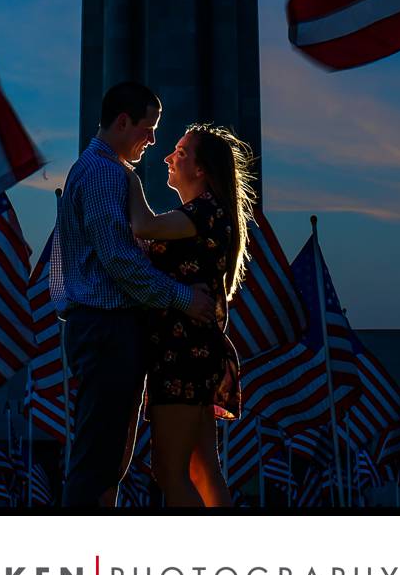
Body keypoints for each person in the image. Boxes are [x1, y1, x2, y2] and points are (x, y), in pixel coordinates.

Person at [53, 81, 217, 507]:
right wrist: (183, 297)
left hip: (107, 329)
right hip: (107, 327)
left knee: (109, 457)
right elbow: (119, 260)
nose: (153, 139)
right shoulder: (105, 173)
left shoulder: (105, 171)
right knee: (100, 458)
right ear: (123, 122)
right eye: (148, 127)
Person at [128, 122, 253, 508]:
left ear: (200, 169)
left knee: (169, 471)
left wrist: (125, 174)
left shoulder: (204, 213)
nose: (168, 157)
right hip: (193, 352)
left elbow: (144, 224)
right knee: (202, 469)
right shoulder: (208, 214)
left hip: (183, 354)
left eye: (180, 152)